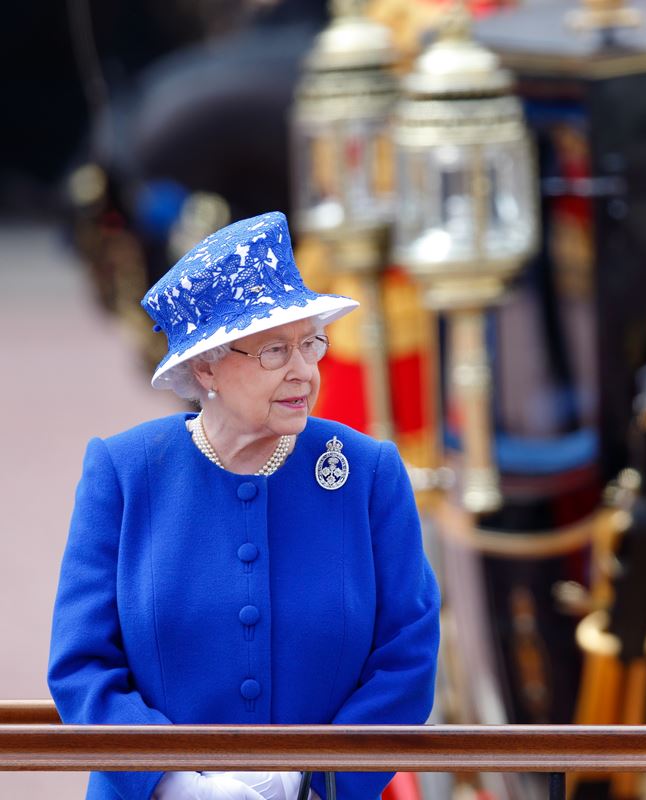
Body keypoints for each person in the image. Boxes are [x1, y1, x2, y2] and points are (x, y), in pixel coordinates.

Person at [48, 211, 440, 800]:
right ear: (206, 365)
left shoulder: (367, 472)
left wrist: (314, 781)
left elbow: (407, 656)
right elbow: (81, 666)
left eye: (311, 344)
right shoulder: (123, 472)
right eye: (275, 351)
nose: (304, 373)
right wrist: (174, 783)